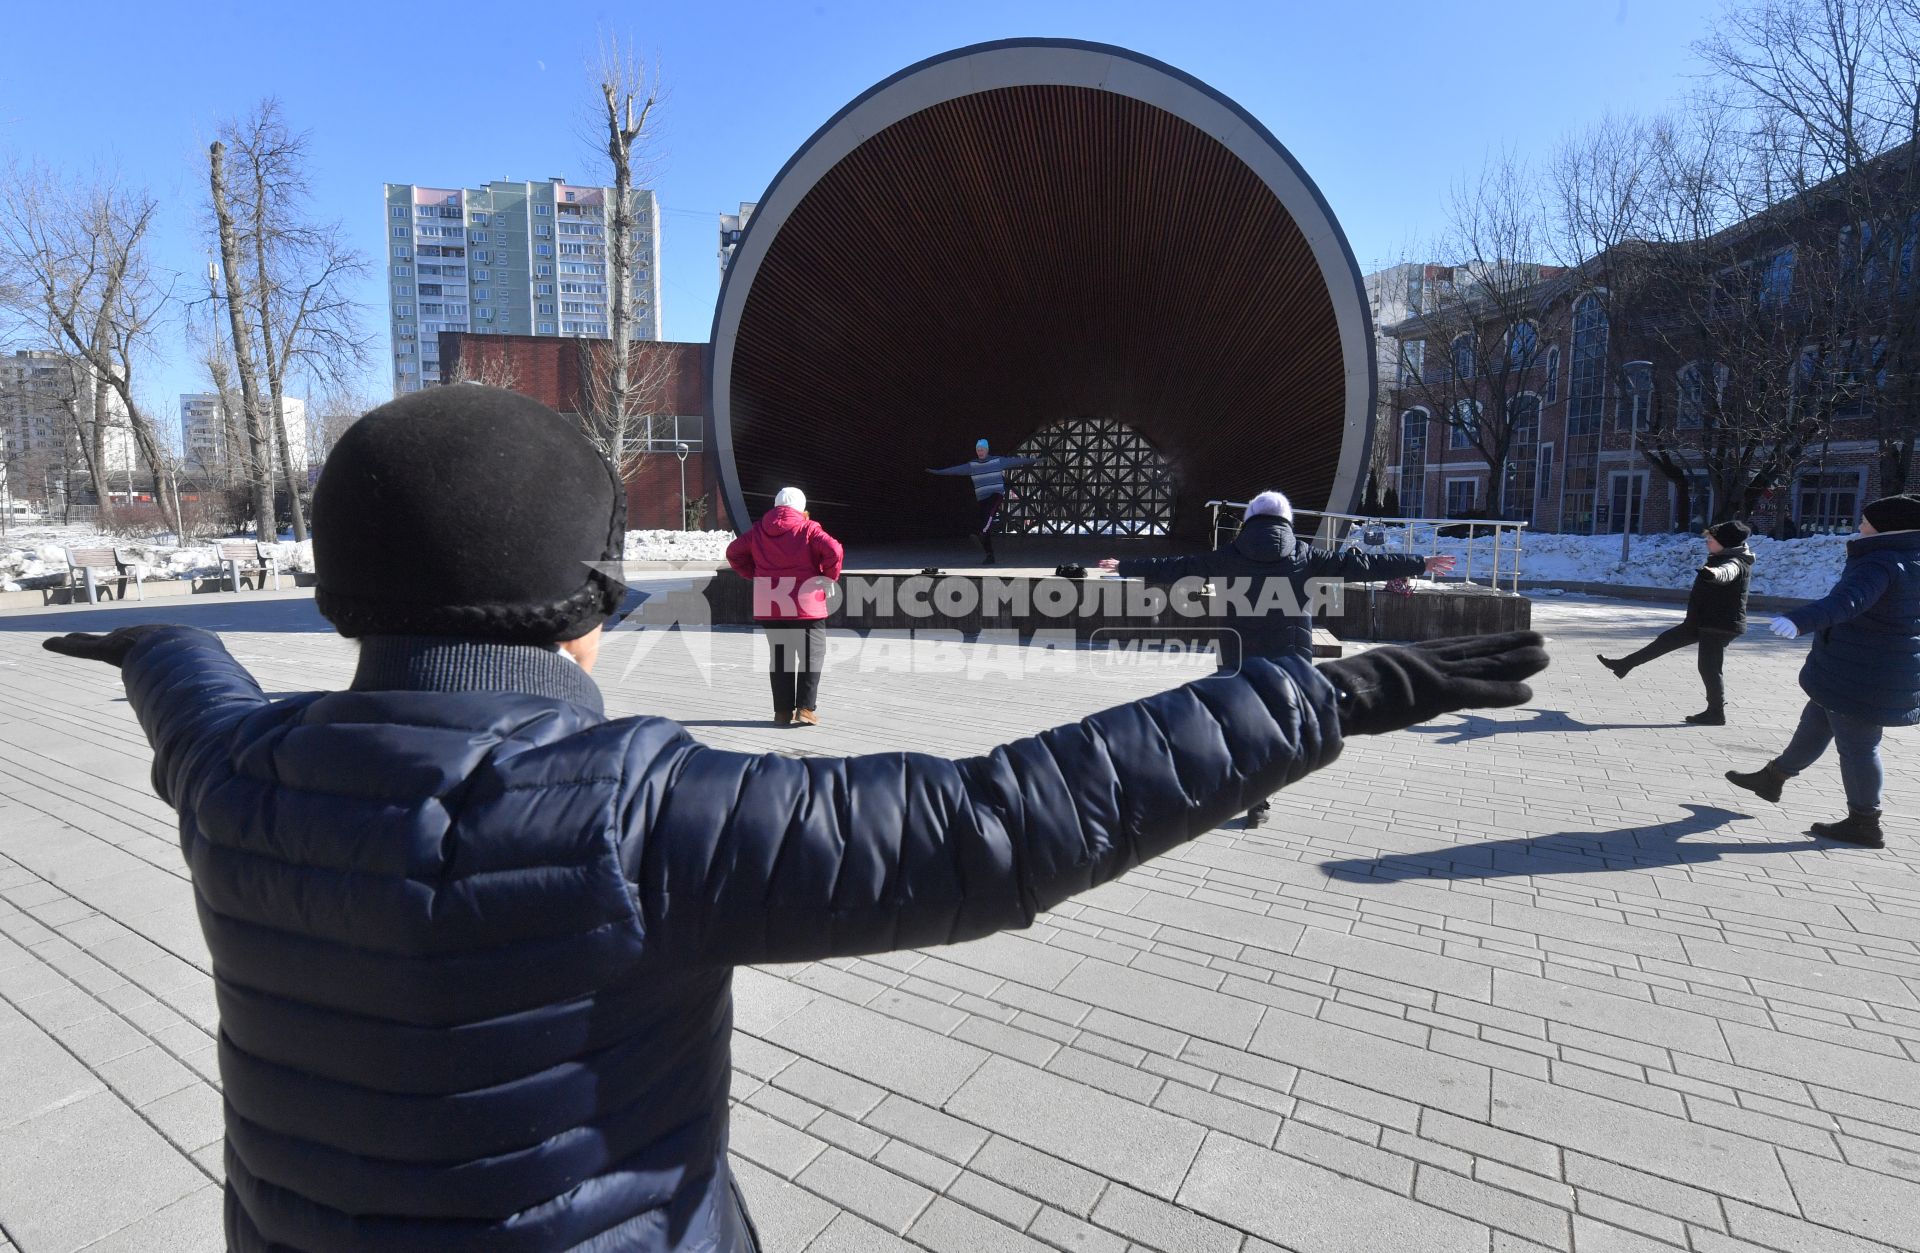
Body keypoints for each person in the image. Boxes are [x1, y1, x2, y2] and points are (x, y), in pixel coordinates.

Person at [41, 386, 1548, 1253]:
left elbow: (193, 688)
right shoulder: (625, 815)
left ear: (334, 594)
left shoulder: (240, 776)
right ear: (595, 606)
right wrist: (1320, 701)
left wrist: (152, 642)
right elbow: (991, 828)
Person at [1097, 491, 1456, 825]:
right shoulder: (1305, 554)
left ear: (1250, 519)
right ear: (1286, 521)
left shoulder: (1229, 555)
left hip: (1238, 654)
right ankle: (1259, 798)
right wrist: (1419, 562)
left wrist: (1126, 566)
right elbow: (1360, 565)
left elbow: (1178, 567)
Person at [1725, 493, 1920, 848]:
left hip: (1863, 673)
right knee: (1816, 721)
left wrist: (1800, 621)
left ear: (1886, 528)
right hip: (1866, 667)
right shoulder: (1910, 557)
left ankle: (1864, 822)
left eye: (1866, 520)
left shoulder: (1881, 562)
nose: (1859, 525)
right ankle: (1774, 777)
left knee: (1859, 747)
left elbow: (1848, 601)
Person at [1597, 519, 1755, 725]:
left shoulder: (1734, 561)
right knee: (1666, 640)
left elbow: (1726, 573)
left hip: (1720, 625)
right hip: (1703, 621)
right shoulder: (1723, 556)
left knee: (1709, 667)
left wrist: (1713, 574)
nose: (1707, 540)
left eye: (1711, 538)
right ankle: (1624, 664)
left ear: (1725, 542)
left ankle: (1716, 712)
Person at [725, 486, 843, 726]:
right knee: (812, 655)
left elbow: (733, 553)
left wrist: (756, 576)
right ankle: (806, 709)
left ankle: (782, 712)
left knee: (781, 657)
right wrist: (829, 576)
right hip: (805, 605)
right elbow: (834, 549)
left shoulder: (758, 530)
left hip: (772, 604)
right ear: (801, 507)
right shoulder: (808, 528)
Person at [927, 438, 1041, 564]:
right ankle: (989, 554)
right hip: (982, 498)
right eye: (978, 450)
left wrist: (1035, 460)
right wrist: (937, 472)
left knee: (988, 518)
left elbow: (1016, 461)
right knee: (983, 522)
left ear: (987, 450)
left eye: (982, 450)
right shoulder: (972, 465)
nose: (980, 452)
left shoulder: (997, 461)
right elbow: (955, 470)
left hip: (996, 495)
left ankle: (982, 532)